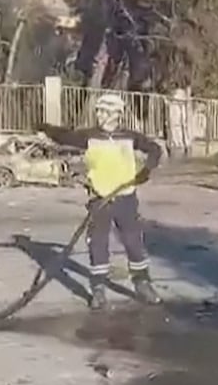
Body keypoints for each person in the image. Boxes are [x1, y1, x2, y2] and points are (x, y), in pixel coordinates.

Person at [39, 93, 163, 310]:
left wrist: (147, 170)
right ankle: (98, 289)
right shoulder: (89, 136)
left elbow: (155, 149)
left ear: (117, 114)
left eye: (105, 111)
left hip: (126, 198)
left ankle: (142, 283)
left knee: (133, 242)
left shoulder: (130, 136)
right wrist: (46, 128)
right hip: (99, 199)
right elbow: (65, 137)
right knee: (98, 244)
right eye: (98, 111)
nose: (100, 115)